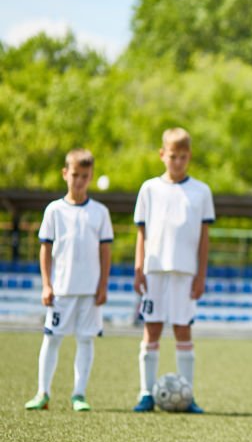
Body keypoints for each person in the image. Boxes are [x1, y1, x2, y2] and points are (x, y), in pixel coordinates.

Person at [132, 128, 215, 413]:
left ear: (189, 157)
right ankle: (145, 393)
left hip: (185, 273)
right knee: (151, 328)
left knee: (183, 331)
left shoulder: (201, 191)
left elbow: (204, 237)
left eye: (182, 157)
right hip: (154, 271)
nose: (177, 162)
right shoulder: (149, 189)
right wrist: (138, 266)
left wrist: (201, 274)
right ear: (162, 155)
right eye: (172, 156)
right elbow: (141, 232)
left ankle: (188, 395)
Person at [25, 149, 113, 412]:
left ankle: (79, 394)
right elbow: (45, 248)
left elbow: (105, 251)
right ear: (65, 174)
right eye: (75, 175)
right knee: (51, 339)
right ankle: (43, 393)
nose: (79, 181)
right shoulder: (54, 210)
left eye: (85, 176)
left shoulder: (100, 212)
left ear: (91, 177)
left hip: (89, 290)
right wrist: (47, 284)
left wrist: (103, 285)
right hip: (61, 289)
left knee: (85, 340)